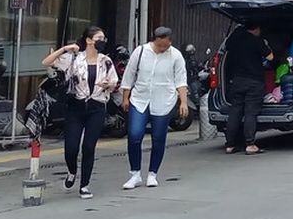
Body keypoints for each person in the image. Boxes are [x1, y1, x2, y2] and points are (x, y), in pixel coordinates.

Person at [42, 26, 118, 198]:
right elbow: (46, 62)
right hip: (75, 106)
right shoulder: (74, 58)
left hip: (97, 106)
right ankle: (71, 171)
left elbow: (114, 81)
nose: (102, 41)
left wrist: (108, 85)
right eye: (99, 38)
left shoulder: (105, 60)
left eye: (103, 38)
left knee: (89, 147)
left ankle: (85, 185)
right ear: (89, 40)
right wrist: (64, 49)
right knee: (71, 147)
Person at [121, 26, 189, 189]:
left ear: (170, 41)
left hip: (164, 100)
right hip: (140, 98)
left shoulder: (176, 56)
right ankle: (135, 173)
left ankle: (153, 174)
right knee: (134, 134)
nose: (161, 49)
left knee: (158, 138)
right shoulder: (141, 52)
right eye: (159, 45)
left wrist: (184, 102)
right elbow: (129, 74)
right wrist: (125, 97)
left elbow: (181, 80)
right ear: (154, 40)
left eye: (165, 46)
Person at [224, 22, 273, 155]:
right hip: (254, 82)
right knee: (250, 112)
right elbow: (270, 57)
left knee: (235, 111)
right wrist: (266, 46)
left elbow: (226, 48)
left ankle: (230, 145)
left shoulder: (235, 41)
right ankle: (250, 144)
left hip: (237, 80)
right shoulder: (257, 41)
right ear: (256, 28)